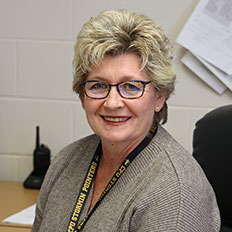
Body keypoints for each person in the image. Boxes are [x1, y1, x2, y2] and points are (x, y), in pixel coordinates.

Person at [32, 9, 220, 232]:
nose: (112, 103)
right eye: (98, 85)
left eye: (131, 87)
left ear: (159, 97)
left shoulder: (175, 193)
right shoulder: (65, 162)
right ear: (82, 96)